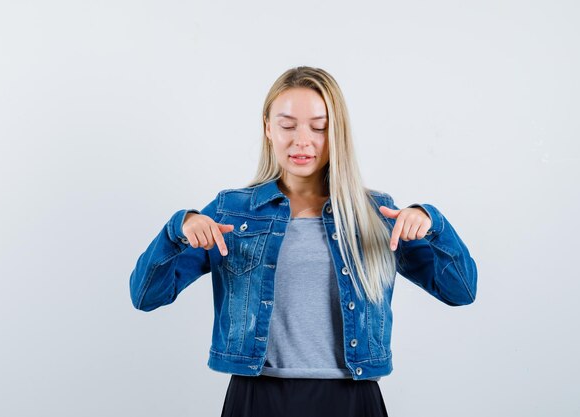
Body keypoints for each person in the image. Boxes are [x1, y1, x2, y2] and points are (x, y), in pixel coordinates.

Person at [129, 66, 478, 417]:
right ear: (267, 127)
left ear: (337, 132)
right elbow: (145, 295)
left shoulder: (375, 214)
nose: (302, 140)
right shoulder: (231, 213)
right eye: (287, 125)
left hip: (352, 400)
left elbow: (460, 290)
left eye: (319, 127)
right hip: (257, 397)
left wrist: (432, 223)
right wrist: (178, 229)